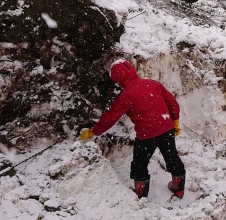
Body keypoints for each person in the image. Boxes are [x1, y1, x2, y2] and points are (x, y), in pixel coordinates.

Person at [80, 59, 186, 199]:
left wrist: (94, 131)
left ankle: (141, 193)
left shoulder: (126, 95)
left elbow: (110, 118)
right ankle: (178, 188)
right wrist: (175, 121)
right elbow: (172, 102)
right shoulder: (153, 84)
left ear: (117, 79)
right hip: (166, 128)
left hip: (146, 136)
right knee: (172, 156)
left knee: (139, 164)